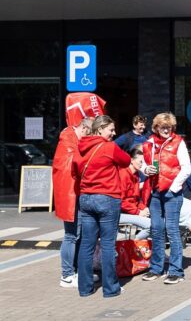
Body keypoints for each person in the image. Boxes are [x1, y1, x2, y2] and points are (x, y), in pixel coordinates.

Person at [76, 116, 131, 297]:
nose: (114, 134)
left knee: (86, 245)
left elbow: (74, 170)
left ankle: (84, 289)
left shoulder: (81, 147)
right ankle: (110, 289)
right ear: (100, 129)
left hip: (86, 199)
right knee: (107, 245)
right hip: (107, 198)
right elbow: (125, 160)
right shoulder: (109, 147)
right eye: (111, 130)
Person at [141, 112, 191, 285]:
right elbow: (142, 164)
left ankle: (176, 271)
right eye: (163, 127)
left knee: (172, 230)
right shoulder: (149, 143)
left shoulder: (178, 142)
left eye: (169, 127)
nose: (166, 130)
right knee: (156, 229)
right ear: (156, 128)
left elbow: (187, 168)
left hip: (171, 192)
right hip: (154, 192)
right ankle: (156, 268)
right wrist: (146, 170)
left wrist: (173, 187)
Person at [52, 117, 92, 288]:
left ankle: (75, 272)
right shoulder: (68, 141)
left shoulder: (72, 139)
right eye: (89, 135)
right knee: (71, 235)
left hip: (76, 194)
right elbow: (72, 165)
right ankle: (67, 275)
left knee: (79, 234)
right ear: (84, 129)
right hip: (70, 195)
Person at [118, 146, 151, 240]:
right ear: (132, 160)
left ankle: (132, 244)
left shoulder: (135, 175)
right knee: (151, 225)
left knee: (157, 223)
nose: (142, 164)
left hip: (129, 211)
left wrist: (144, 208)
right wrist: (138, 212)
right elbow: (121, 201)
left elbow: (135, 199)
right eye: (141, 161)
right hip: (120, 212)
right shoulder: (123, 174)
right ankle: (132, 244)